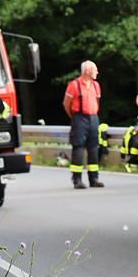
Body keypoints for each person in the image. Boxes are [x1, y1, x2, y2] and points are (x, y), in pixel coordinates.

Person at [62, 60, 104, 189]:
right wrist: (74, 117)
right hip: (79, 118)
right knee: (78, 147)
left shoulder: (96, 85)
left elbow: (97, 101)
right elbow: (66, 104)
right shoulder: (74, 85)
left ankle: (94, 178)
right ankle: (77, 179)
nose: (97, 72)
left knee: (93, 148)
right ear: (87, 71)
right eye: (94, 69)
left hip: (93, 118)